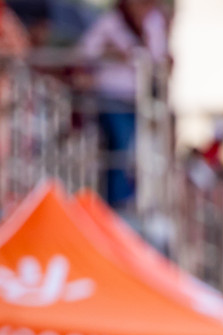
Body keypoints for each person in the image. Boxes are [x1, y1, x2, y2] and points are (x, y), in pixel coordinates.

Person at [76, 0, 169, 209]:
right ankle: (116, 202)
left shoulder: (154, 22)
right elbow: (86, 51)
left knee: (135, 152)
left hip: (137, 98)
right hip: (112, 95)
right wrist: (111, 54)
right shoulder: (110, 23)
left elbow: (158, 56)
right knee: (118, 148)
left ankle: (129, 199)